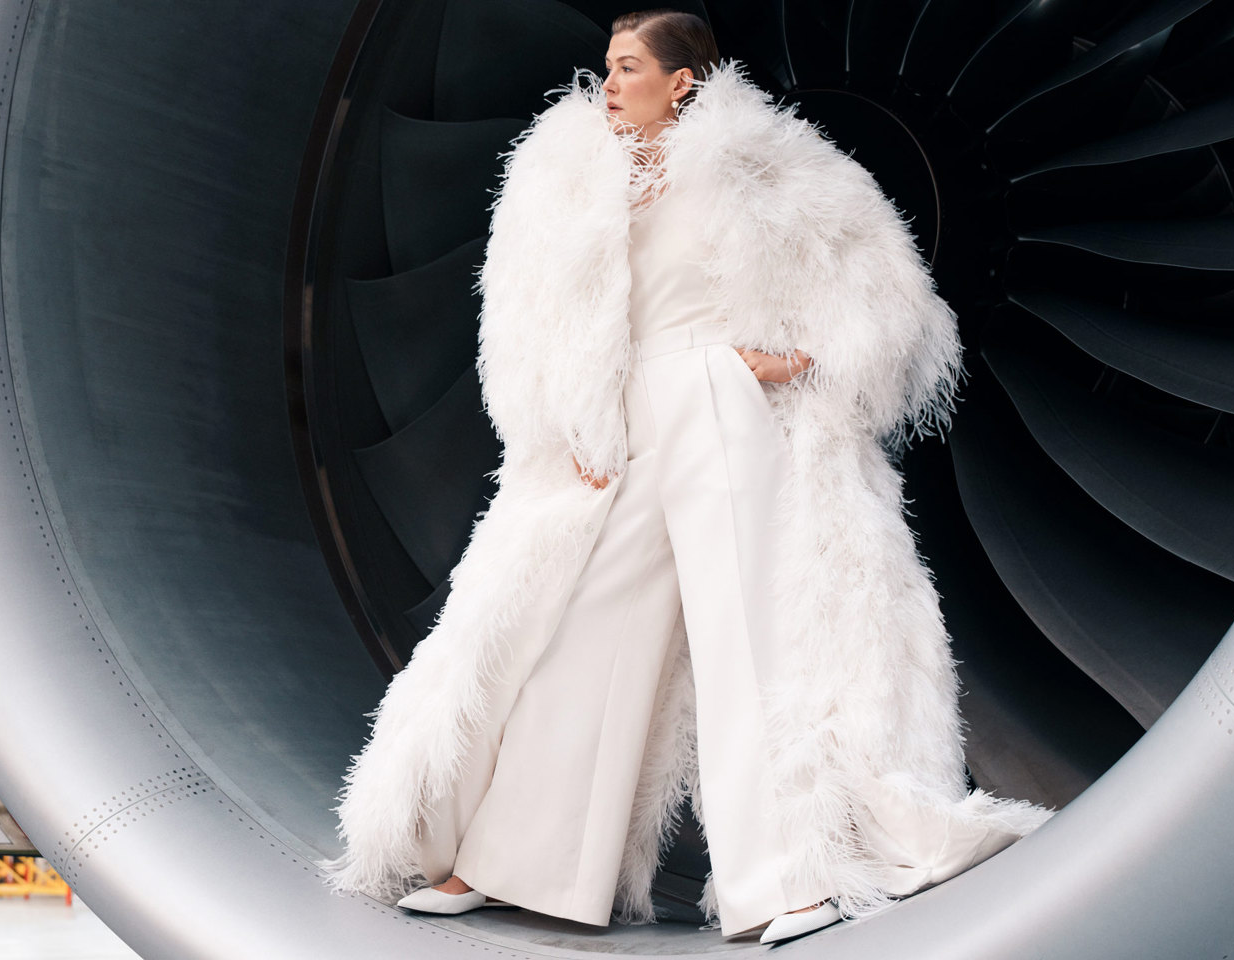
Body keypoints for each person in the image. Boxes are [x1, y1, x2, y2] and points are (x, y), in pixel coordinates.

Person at [315, 9, 1057, 946]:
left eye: (629, 68)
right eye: (608, 67)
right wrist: (564, 417)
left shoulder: (761, 160)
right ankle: (509, 865)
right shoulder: (571, 172)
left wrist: (792, 361)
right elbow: (532, 317)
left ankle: (786, 885)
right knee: (576, 640)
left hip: (722, 404)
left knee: (751, 645)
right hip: (624, 421)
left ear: (684, 80)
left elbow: (883, 283)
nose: (608, 84)